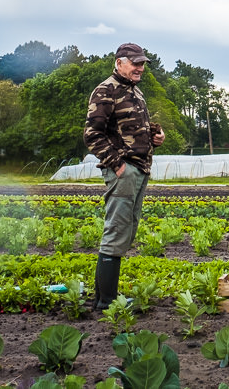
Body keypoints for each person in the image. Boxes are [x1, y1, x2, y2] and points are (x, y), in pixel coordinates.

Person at [84, 42, 165, 310]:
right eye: (135, 63)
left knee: (126, 230)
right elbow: (92, 135)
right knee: (117, 230)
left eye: (143, 63)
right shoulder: (106, 90)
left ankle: (103, 298)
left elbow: (130, 131)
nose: (140, 68)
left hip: (139, 168)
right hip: (124, 170)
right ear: (119, 62)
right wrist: (118, 165)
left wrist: (155, 138)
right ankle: (106, 301)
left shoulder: (135, 92)